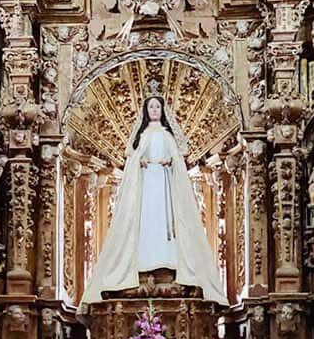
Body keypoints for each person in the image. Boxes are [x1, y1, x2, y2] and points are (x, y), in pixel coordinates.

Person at [80, 94, 227, 307]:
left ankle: (169, 262)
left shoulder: (167, 135)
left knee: (165, 221)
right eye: (151, 107)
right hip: (146, 183)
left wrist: (171, 161)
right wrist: (141, 161)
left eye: (158, 106)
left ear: (163, 110)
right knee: (146, 220)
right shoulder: (143, 135)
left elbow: (178, 156)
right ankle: (142, 262)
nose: (155, 110)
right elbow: (133, 158)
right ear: (146, 111)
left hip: (165, 183)